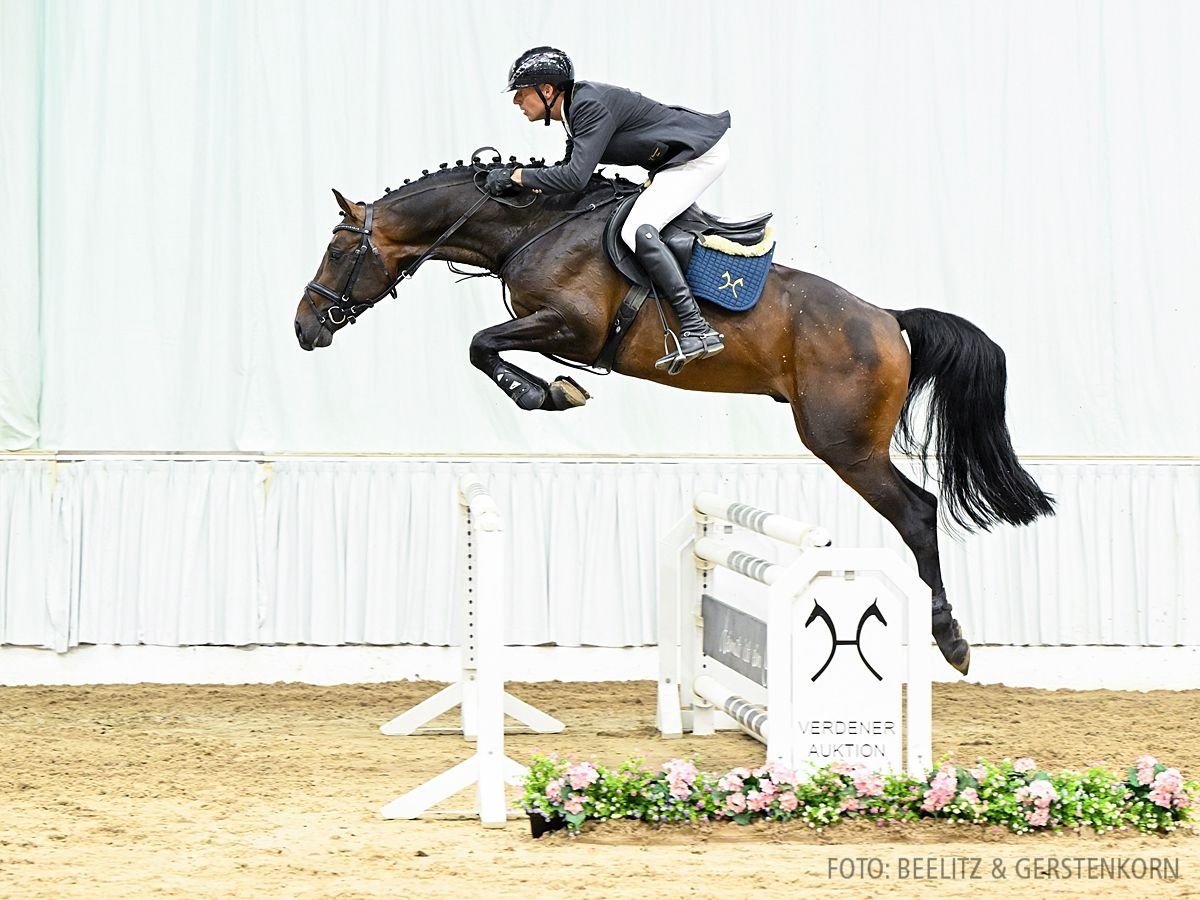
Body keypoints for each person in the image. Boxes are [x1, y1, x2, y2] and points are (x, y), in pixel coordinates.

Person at [487, 46, 731, 373]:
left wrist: (517, 175)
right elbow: (568, 171)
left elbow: (574, 177)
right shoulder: (574, 112)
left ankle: (697, 328)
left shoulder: (588, 105)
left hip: (698, 158)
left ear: (546, 90)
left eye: (521, 93)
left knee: (637, 230)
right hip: (678, 162)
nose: (516, 101)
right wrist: (521, 183)